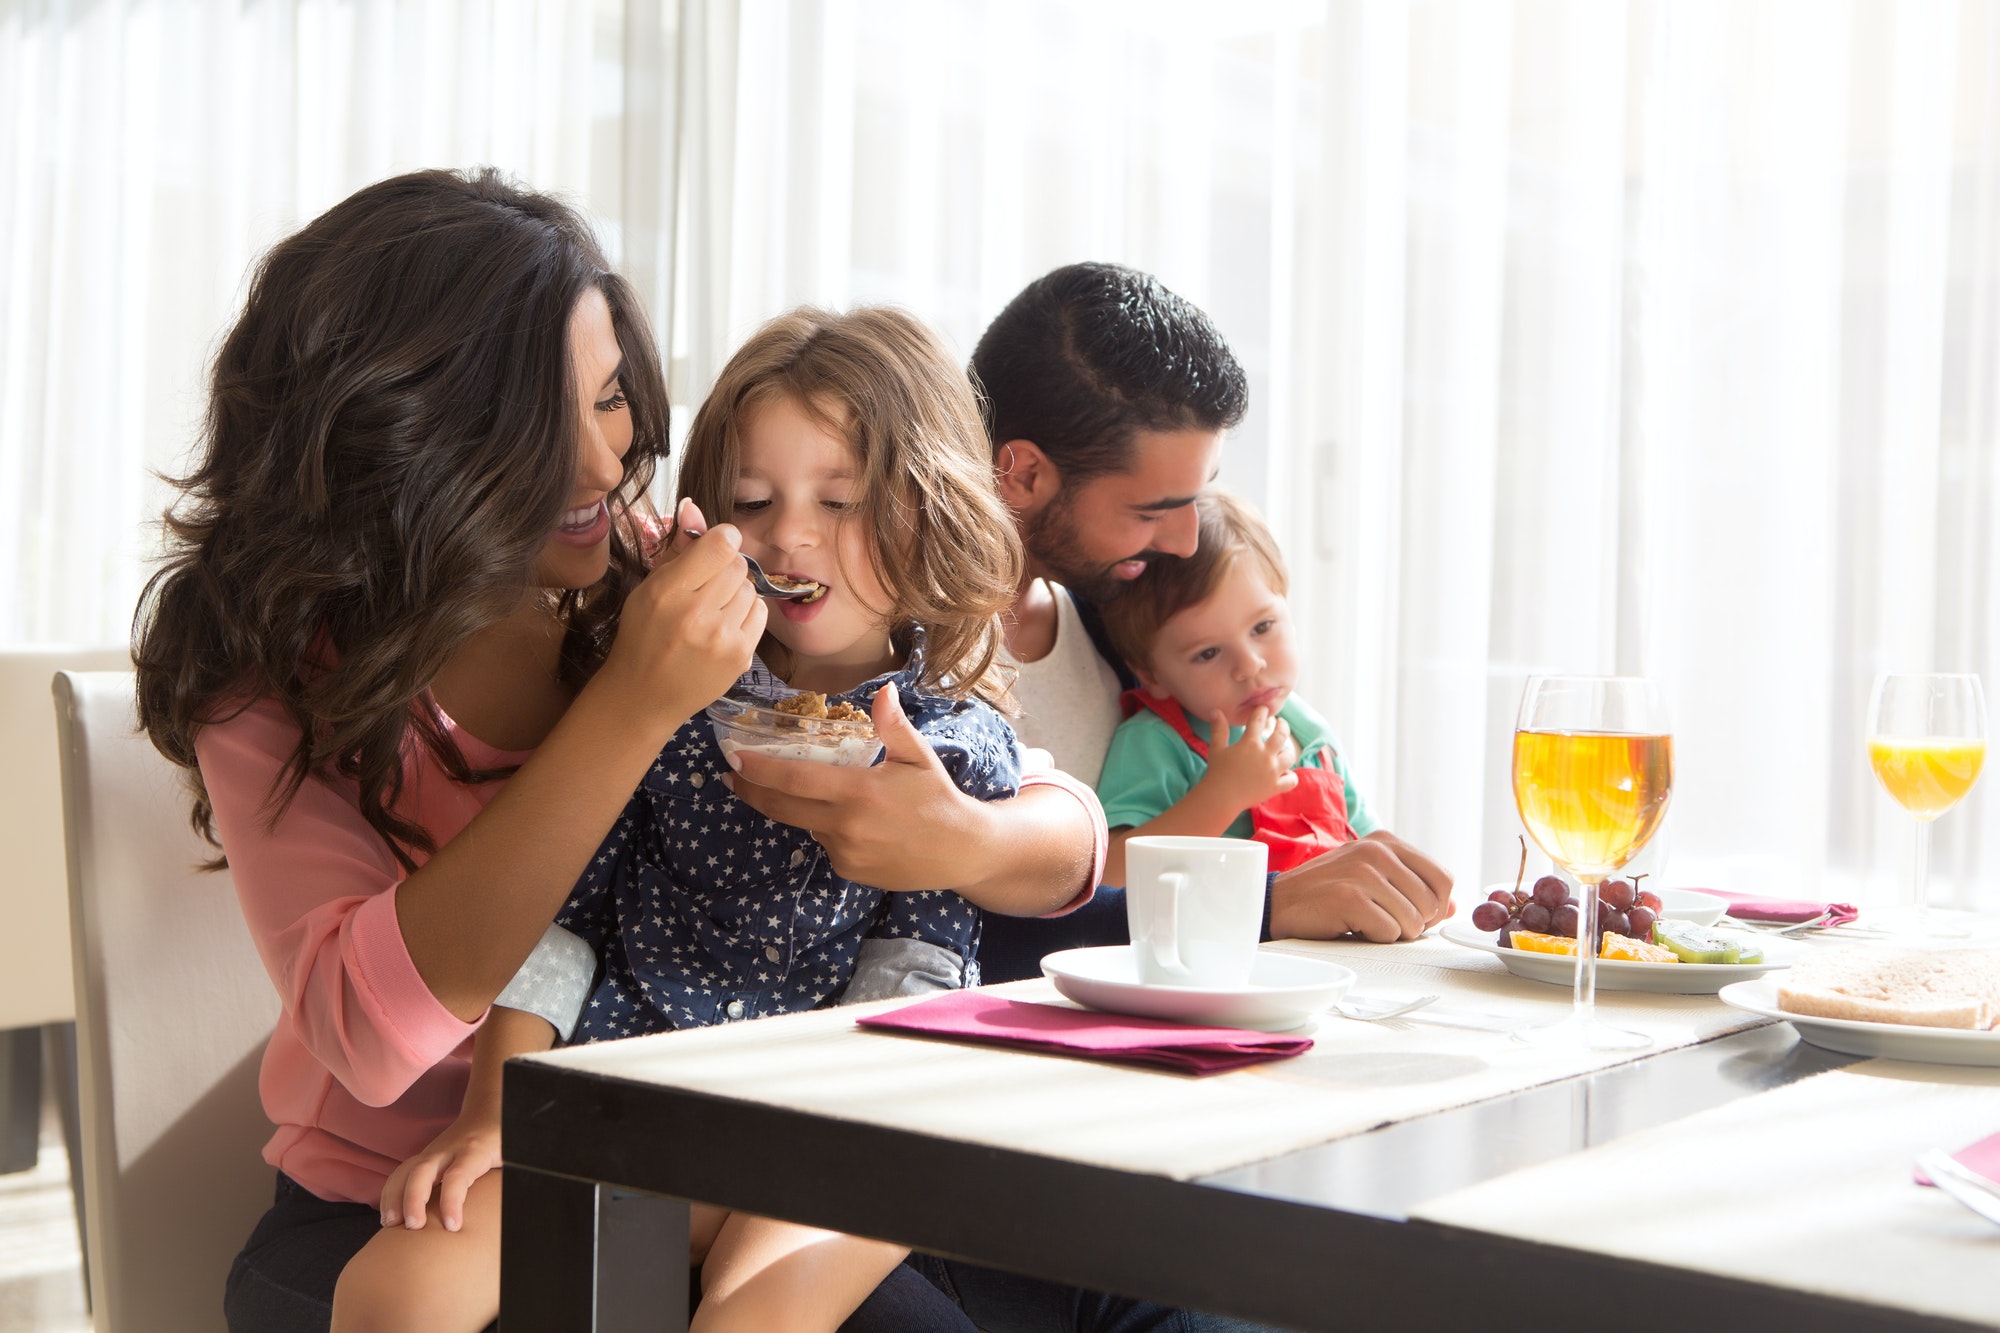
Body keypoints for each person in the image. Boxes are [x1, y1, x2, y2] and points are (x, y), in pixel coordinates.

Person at [131, 169, 1103, 1333]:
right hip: (404, 1192)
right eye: (546, 424)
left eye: (610, 401)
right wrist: (635, 704)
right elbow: (374, 1037)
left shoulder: (654, 576)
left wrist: (974, 835)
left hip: (719, 1159)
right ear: (412, 442)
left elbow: (1046, 818)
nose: (604, 466)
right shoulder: (278, 683)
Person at [341, 304, 1081, 1333]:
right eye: (753, 498)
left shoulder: (950, 748)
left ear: (929, 509)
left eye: (839, 499)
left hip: (840, 1120)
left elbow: (913, 981)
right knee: (392, 1291)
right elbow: (566, 919)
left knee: (757, 1317)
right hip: (632, 1105)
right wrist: (490, 1115)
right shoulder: (667, 692)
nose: (789, 534)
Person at [1095, 490, 1363, 886]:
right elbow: (1111, 875)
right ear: (1152, 675)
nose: (1249, 665)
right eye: (1208, 653)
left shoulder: (1309, 734)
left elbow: (1367, 844)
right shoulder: (1155, 741)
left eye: (1262, 627)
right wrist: (1223, 794)